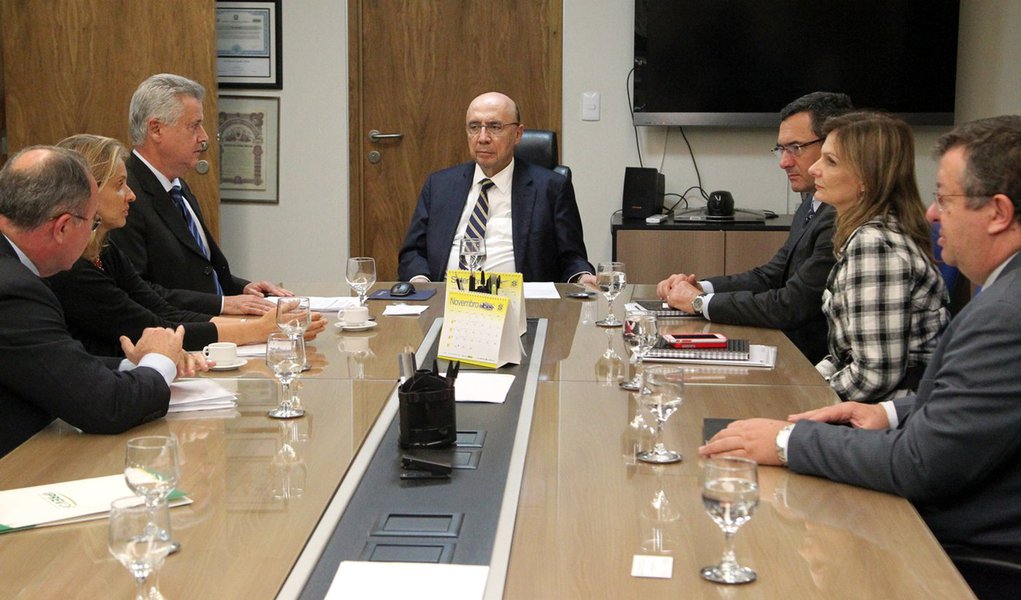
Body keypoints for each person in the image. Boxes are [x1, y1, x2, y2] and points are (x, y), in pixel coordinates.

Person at [699, 115, 1021, 555]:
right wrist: (889, 415)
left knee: (758, 530)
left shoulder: (1003, 313)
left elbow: (920, 461)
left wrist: (785, 438)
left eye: (945, 199)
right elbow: (965, 408)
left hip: (954, 543)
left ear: (999, 213)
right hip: (919, 462)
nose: (932, 213)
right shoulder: (1005, 294)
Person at [0, 145, 204, 457]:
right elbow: (106, 407)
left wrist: (133, 364)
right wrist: (159, 361)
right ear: (63, 227)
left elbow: (48, 362)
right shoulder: (14, 291)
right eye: (93, 222)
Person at [45, 135, 327, 357]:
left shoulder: (105, 251)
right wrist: (257, 330)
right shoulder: (71, 269)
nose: (131, 196)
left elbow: (164, 311)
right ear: (86, 193)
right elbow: (148, 327)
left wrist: (261, 325)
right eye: (119, 185)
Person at [656, 92, 853, 363]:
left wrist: (699, 303)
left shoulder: (843, 213)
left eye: (795, 147)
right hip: (788, 349)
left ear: (837, 142)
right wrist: (700, 288)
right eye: (781, 149)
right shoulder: (811, 203)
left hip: (810, 362)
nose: (784, 162)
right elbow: (770, 276)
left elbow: (791, 305)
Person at [108, 73, 290, 302]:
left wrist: (243, 289)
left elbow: (201, 273)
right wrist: (223, 304)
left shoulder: (178, 186)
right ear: (155, 129)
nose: (203, 138)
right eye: (194, 126)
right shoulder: (128, 196)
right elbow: (138, 292)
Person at [809, 112, 949, 402]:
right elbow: (846, 355)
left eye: (830, 161)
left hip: (890, 417)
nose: (813, 168)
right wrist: (803, 384)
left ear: (866, 180)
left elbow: (875, 375)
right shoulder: (874, 231)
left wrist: (806, 403)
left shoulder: (875, 245)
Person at [397, 91, 595, 284]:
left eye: (494, 127)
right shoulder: (439, 185)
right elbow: (413, 252)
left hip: (519, 305)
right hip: (448, 301)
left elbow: (571, 258)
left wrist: (582, 276)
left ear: (518, 134)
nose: (482, 138)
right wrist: (422, 282)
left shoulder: (551, 188)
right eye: (474, 127)